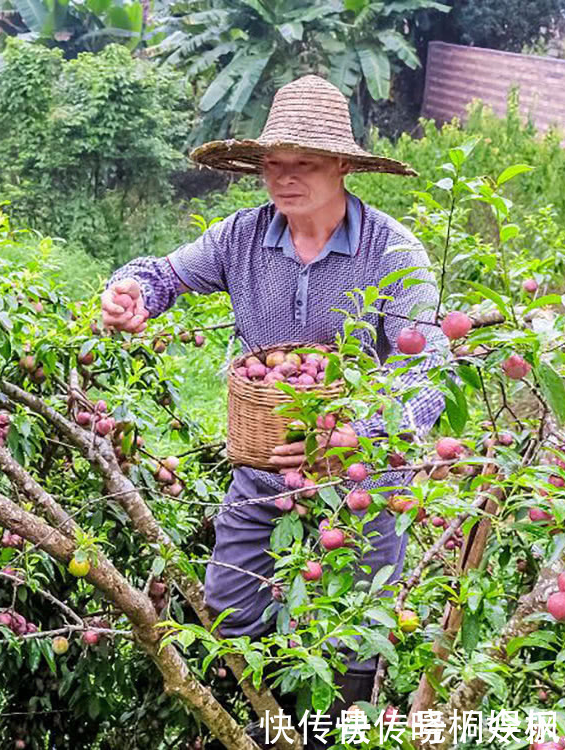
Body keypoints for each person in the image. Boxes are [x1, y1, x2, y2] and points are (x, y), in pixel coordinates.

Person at [100, 75, 447, 748]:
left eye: (304, 164)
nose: (284, 179)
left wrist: (358, 432)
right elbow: (165, 274)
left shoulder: (394, 253)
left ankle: (325, 737)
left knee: (352, 636)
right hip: (262, 477)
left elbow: (427, 371)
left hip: (361, 485)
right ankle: (265, 729)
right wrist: (132, 292)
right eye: (272, 164)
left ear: (343, 165)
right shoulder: (242, 237)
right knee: (231, 612)